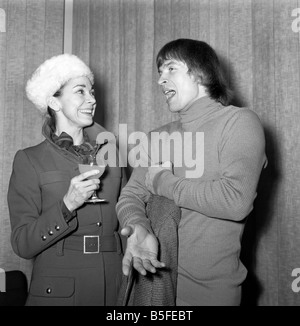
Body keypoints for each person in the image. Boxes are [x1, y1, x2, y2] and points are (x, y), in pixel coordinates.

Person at [116, 38, 267, 306]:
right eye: (159, 72)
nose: (160, 80)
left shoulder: (239, 122)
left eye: (170, 69)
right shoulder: (158, 136)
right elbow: (130, 196)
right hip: (155, 289)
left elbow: (235, 201)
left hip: (211, 294)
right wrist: (138, 226)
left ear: (200, 72)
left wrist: (163, 182)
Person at [7, 53, 126, 306]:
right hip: (59, 288)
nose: (92, 99)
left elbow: (127, 211)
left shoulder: (111, 153)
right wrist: (66, 205)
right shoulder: (29, 160)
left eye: (92, 91)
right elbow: (22, 244)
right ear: (55, 102)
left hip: (114, 285)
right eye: (81, 91)